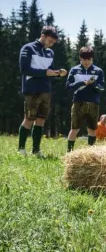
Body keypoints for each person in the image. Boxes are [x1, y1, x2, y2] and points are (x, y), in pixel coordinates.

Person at [17, 26, 68, 157]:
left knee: (41, 120)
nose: (51, 45)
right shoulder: (28, 48)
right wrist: (45, 72)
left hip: (46, 90)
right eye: (50, 41)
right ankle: (21, 149)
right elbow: (24, 70)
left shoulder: (50, 53)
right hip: (32, 89)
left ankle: (36, 151)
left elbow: (49, 71)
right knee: (29, 118)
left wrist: (57, 73)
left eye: (53, 43)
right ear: (43, 36)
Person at [66, 46, 105, 152]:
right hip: (78, 102)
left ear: (92, 59)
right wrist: (82, 83)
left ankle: (91, 153)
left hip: (94, 103)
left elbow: (101, 88)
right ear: (80, 58)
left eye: (89, 59)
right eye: (84, 59)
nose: (87, 62)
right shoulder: (74, 70)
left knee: (92, 129)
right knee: (74, 128)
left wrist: (93, 84)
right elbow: (68, 86)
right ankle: (69, 152)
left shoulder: (98, 71)